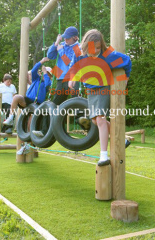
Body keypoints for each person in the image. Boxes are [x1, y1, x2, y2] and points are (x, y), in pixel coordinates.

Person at [68, 29, 132, 166]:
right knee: (96, 121)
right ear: (86, 46)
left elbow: (127, 60)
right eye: (93, 47)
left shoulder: (106, 55)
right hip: (90, 90)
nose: (96, 50)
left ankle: (103, 155)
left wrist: (126, 77)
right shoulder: (79, 53)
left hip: (103, 88)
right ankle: (122, 138)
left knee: (101, 119)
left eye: (98, 47)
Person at [32, 26, 81, 137]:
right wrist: (56, 43)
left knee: (76, 101)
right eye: (64, 38)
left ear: (74, 38)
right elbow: (50, 56)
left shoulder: (79, 47)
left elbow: (69, 62)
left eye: (67, 38)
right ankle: (44, 131)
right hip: (61, 79)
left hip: (73, 78)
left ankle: (85, 124)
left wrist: (61, 50)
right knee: (53, 104)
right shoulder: (62, 44)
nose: (65, 40)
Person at [3, 57, 52, 127]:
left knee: (30, 121)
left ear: (49, 75)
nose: (43, 74)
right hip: (28, 100)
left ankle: (30, 135)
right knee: (16, 97)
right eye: (43, 73)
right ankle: (11, 117)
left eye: (47, 74)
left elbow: (47, 84)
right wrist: (41, 61)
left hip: (37, 103)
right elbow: (33, 71)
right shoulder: (36, 79)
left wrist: (45, 73)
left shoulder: (48, 82)